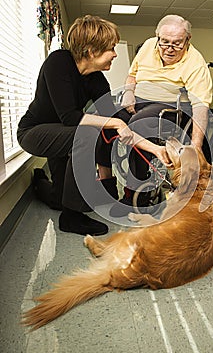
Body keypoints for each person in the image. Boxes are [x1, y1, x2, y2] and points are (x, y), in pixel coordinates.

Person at [17, 15, 171, 236]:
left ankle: (39, 182)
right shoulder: (58, 62)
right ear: (90, 51)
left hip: (64, 137)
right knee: (87, 134)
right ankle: (71, 218)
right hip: (34, 132)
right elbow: (70, 117)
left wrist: (155, 148)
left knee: (58, 198)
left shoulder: (96, 79)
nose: (115, 54)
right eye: (111, 48)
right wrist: (115, 122)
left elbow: (116, 120)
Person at [110, 14, 213, 217]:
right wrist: (129, 92)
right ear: (157, 37)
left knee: (138, 125)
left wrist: (196, 147)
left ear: (187, 40)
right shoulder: (149, 45)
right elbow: (133, 74)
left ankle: (133, 194)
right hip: (136, 100)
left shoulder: (196, 63)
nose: (169, 48)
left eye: (177, 44)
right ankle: (104, 183)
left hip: (166, 107)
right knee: (103, 122)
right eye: (164, 42)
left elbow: (200, 107)